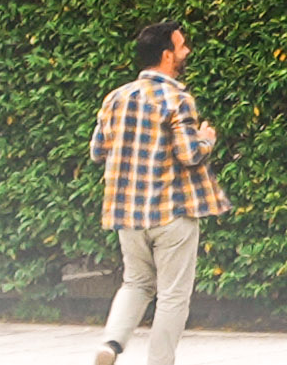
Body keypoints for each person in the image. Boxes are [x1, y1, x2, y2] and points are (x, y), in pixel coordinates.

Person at [86, 19, 222, 365]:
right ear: (166, 56)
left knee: (135, 283)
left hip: (127, 212)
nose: (186, 51)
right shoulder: (178, 99)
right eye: (181, 46)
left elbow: (97, 150)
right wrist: (206, 139)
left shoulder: (116, 97)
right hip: (171, 211)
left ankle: (110, 346)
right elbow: (188, 154)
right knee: (173, 294)